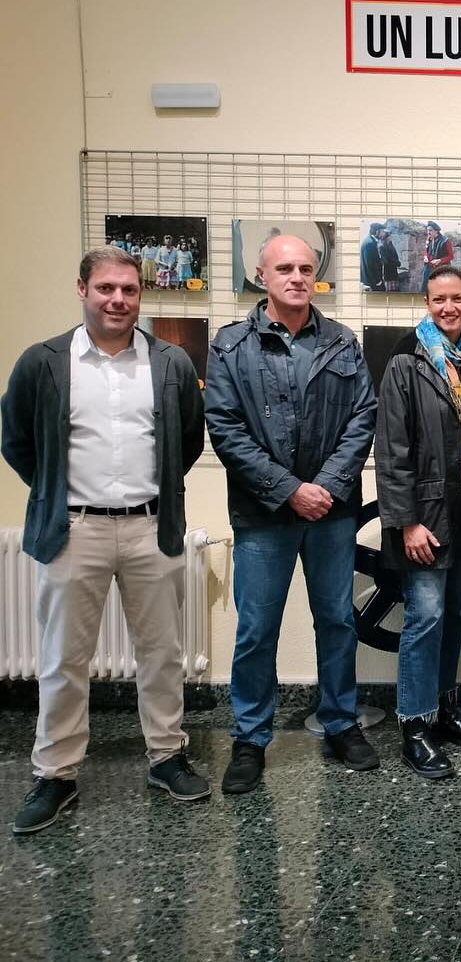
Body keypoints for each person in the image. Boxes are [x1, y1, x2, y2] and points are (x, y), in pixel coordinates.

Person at [1, 246, 209, 833]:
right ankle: (56, 774)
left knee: (162, 654)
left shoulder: (168, 362)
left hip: (151, 527)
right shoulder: (42, 361)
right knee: (64, 659)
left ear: (141, 294)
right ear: (82, 290)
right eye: (106, 289)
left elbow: (188, 440)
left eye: (129, 290)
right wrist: (53, 494)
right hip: (74, 530)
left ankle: (167, 756)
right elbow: (16, 438)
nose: (118, 300)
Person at [205, 234, 379, 793]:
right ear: (261, 274)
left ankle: (340, 723)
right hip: (263, 515)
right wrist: (288, 490)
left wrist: (323, 487)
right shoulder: (231, 345)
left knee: (337, 621)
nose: (297, 277)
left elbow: (362, 417)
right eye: (285, 268)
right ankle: (250, 738)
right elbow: (225, 428)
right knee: (257, 629)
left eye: (306, 267)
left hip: (331, 512)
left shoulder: (342, 342)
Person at [375, 266, 461, 780]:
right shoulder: (407, 357)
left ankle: (445, 711)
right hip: (425, 514)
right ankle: (414, 728)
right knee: (424, 618)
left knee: (456, 614)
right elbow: (392, 446)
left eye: (457, 298)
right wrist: (406, 522)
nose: (448, 307)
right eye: (438, 299)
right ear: (426, 302)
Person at [419, 221, 455, 294]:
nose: (428, 232)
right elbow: (426, 251)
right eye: (427, 230)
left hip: (441, 267)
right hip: (429, 266)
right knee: (424, 286)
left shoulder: (446, 241)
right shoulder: (429, 239)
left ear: (436, 231)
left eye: (430, 230)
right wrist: (425, 257)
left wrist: (440, 260)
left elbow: (451, 256)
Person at [359, 222, 387, 290]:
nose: (384, 234)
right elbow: (370, 265)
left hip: (373, 282)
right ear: (377, 232)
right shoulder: (370, 243)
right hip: (373, 283)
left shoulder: (370, 241)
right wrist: (378, 281)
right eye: (382, 231)